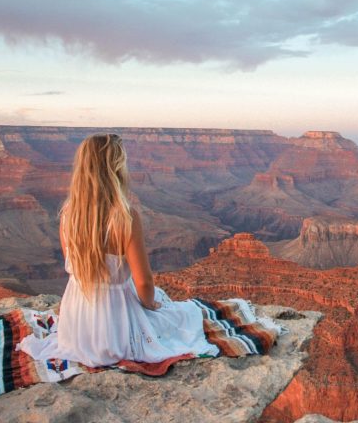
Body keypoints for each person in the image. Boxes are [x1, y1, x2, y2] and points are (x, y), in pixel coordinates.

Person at [18, 134, 219, 367]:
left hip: (77, 325)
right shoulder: (124, 217)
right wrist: (150, 305)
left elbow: (72, 267)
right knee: (184, 316)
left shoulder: (68, 214)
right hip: (116, 326)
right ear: (115, 168)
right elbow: (143, 282)